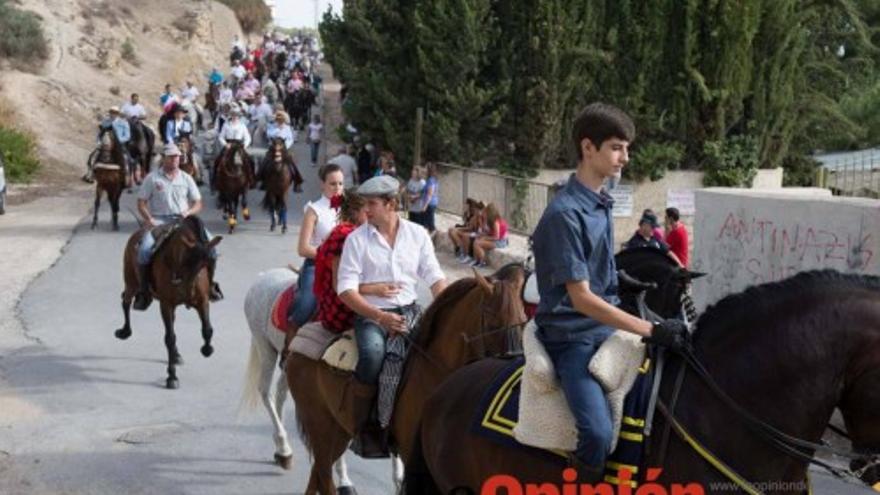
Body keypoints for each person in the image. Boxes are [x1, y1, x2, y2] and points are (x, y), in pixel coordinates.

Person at [531, 103, 689, 481]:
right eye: (617, 147)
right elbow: (582, 299)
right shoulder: (565, 214)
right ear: (588, 148)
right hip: (571, 336)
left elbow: (596, 267)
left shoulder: (601, 200)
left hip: (603, 325)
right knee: (598, 434)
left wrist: (620, 279)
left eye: (627, 148)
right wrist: (650, 329)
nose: (625, 157)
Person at [336, 175, 447, 444]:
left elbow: (434, 277)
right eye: (364, 204)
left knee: (439, 355)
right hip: (372, 316)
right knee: (373, 355)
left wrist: (446, 308)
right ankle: (365, 425)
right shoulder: (356, 240)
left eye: (372, 204)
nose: (366, 211)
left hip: (410, 312)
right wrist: (380, 316)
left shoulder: (417, 234)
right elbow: (346, 290)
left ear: (391, 204)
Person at [133, 143, 222, 310]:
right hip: (159, 220)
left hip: (183, 220)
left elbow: (198, 203)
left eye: (177, 157)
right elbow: (141, 203)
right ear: (164, 158)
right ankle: (144, 291)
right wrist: (148, 218)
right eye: (172, 157)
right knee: (144, 250)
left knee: (212, 249)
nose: (175, 160)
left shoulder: (186, 178)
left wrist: (189, 212)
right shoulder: (152, 178)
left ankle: (210, 286)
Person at [286, 164, 345, 331]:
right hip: (317, 265)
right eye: (333, 183)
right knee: (306, 303)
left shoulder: (350, 210)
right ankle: (288, 345)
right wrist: (331, 258)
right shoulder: (314, 210)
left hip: (348, 266)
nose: (337, 188)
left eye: (341, 183)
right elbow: (303, 249)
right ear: (322, 184)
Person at [83, 106, 133, 184]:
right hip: (105, 144)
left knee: (127, 159)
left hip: (119, 145)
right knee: (93, 156)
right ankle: (90, 174)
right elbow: (100, 134)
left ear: (118, 114)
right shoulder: (105, 122)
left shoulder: (123, 123)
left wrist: (118, 141)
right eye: (111, 112)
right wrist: (99, 142)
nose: (113, 114)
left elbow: (127, 136)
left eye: (115, 113)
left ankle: (127, 177)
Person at [469, 202, 508, 268]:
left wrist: (485, 238)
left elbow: (497, 237)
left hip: (501, 241)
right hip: (496, 239)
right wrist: (483, 235)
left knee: (477, 243)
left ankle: (482, 262)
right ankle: (477, 260)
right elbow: (489, 232)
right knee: (476, 240)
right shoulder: (491, 221)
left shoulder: (496, 222)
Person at [418, 163, 439, 236]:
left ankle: (431, 238)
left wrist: (425, 206)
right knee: (426, 222)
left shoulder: (431, 180)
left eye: (426, 168)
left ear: (429, 170)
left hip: (430, 204)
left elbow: (430, 194)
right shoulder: (430, 179)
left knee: (429, 224)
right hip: (430, 203)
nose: (424, 169)